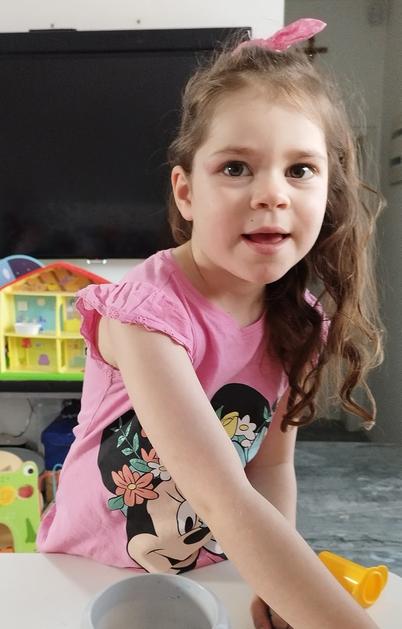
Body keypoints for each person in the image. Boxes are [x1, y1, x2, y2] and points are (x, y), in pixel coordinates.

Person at [38, 18, 384, 629]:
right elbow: (221, 493)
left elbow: (269, 468)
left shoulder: (297, 322)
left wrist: (271, 585)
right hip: (90, 577)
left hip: (214, 571)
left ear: (327, 191)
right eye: (235, 168)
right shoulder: (144, 314)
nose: (272, 194)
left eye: (300, 169)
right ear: (185, 192)